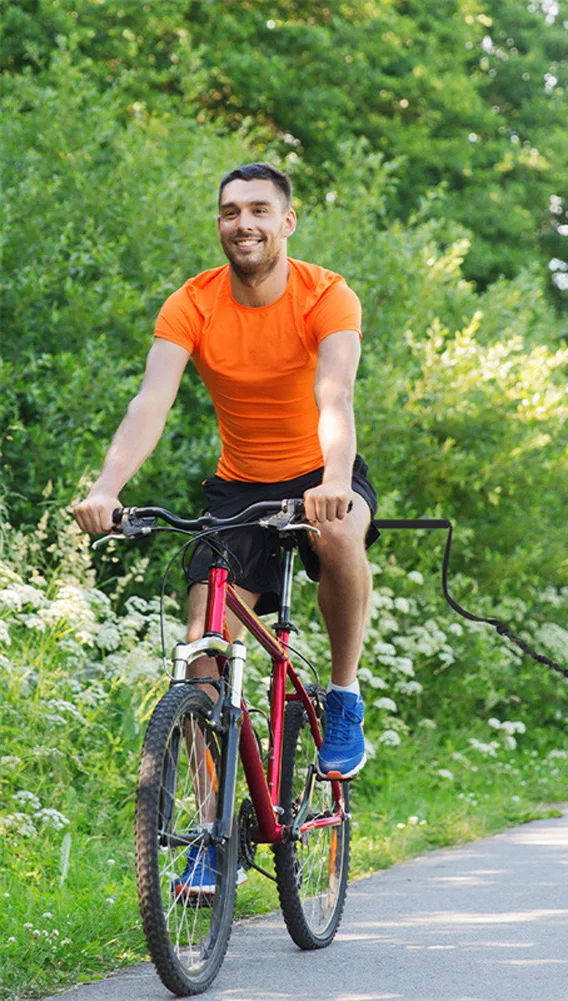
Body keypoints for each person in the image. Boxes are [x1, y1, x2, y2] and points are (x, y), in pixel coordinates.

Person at [73, 164, 377, 876]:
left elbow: (334, 392)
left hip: (323, 471)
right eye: (229, 211)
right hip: (239, 486)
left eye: (259, 210)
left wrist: (333, 480)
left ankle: (343, 694)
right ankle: (211, 834)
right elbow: (151, 400)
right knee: (204, 648)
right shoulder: (193, 302)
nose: (243, 223)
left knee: (337, 530)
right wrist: (106, 486)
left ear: (287, 222)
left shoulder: (326, 294)